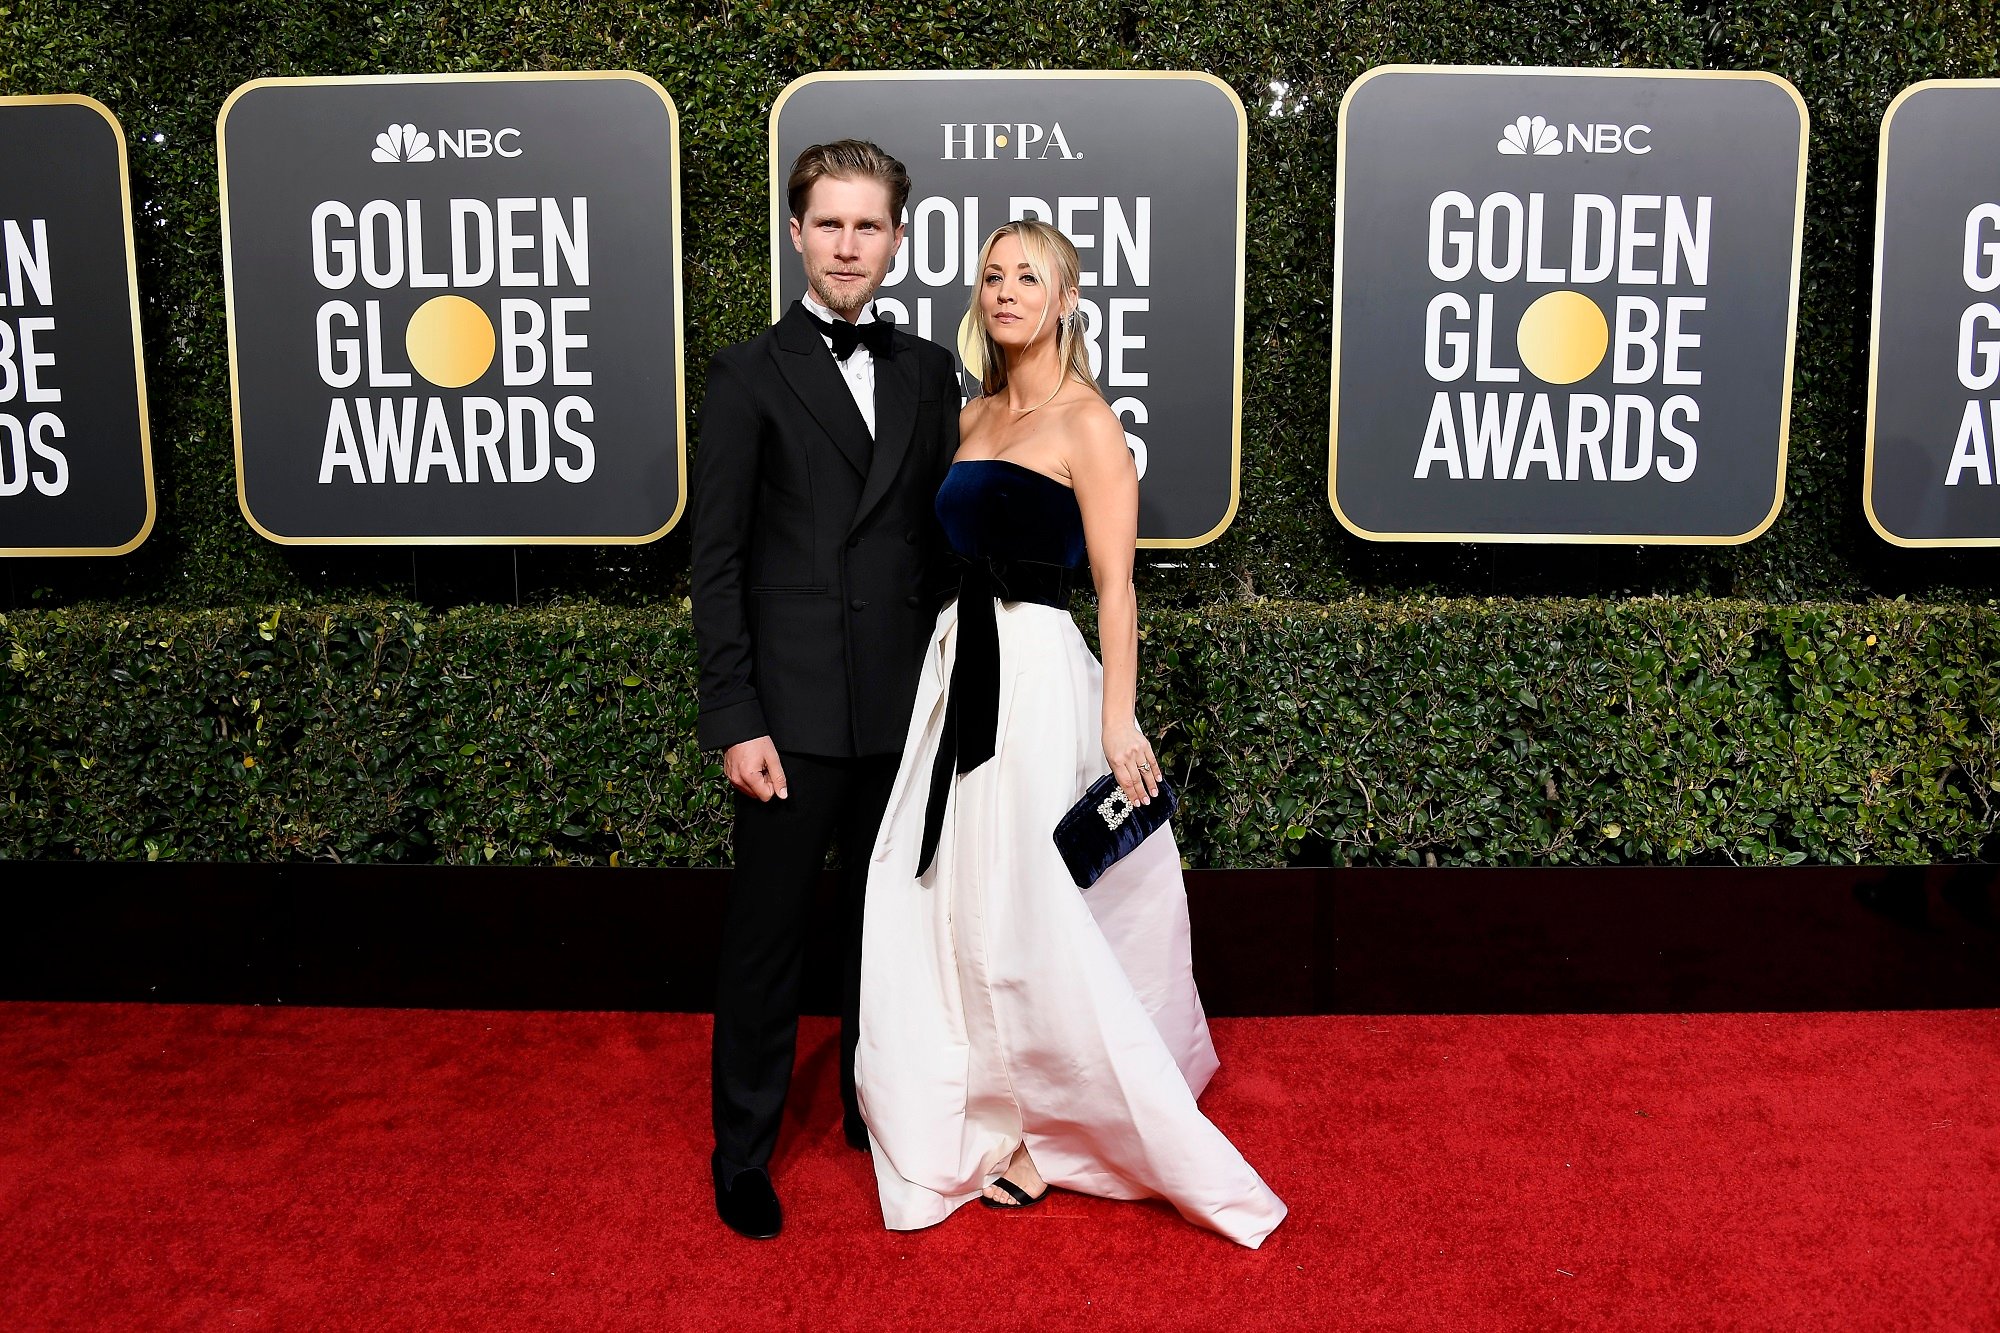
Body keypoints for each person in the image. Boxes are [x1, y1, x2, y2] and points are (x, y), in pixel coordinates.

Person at [854, 219, 1287, 1248]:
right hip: (956, 670)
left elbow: (1115, 587)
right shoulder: (969, 417)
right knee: (947, 894)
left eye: (1028, 277)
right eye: (993, 276)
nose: (1006, 292)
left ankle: (1050, 1127)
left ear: (1064, 298)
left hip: (1041, 678)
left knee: (1034, 902)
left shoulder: (1088, 422)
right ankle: (987, 1105)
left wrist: (1117, 714)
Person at [690, 140, 962, 1241]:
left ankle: (869, 1104)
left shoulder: (927, 371)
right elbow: (714, 561)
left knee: (882, 933)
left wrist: (960, 700)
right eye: (830, 225)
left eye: (870, 226)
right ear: (796, 234)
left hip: (901, 704)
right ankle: (743, 1151)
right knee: (767, 941)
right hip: (791, 719)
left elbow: (939, 543)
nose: (849, 246)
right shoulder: (747, 375)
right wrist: (734, 713)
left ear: (897, 239)